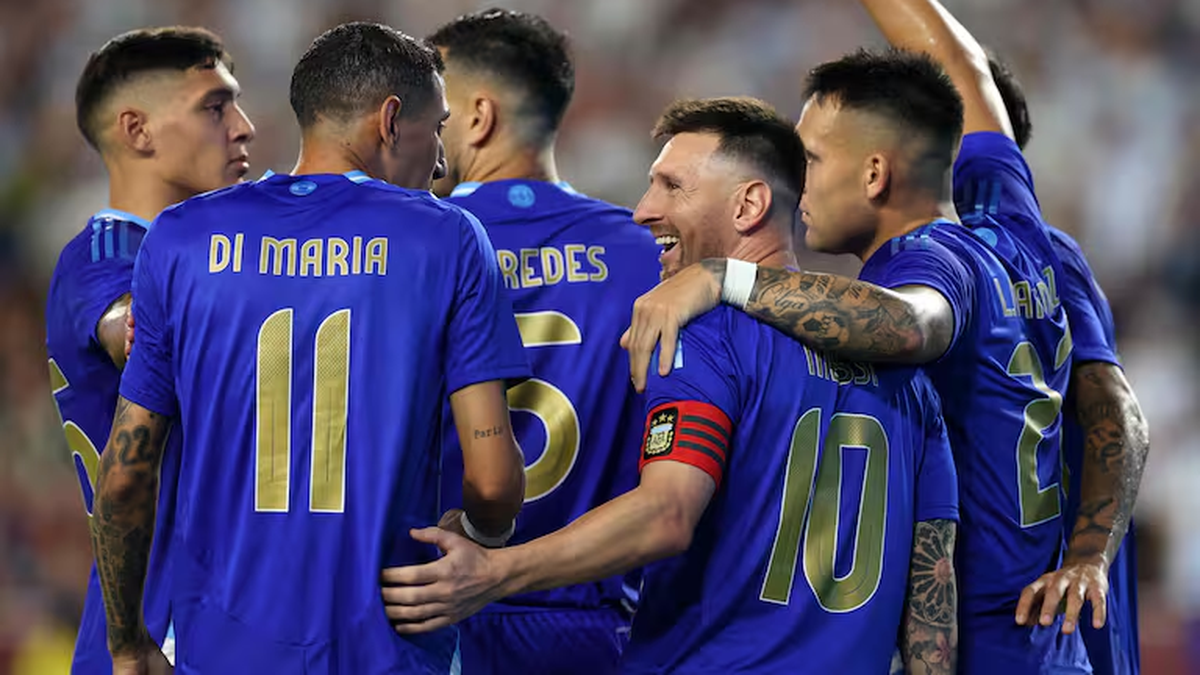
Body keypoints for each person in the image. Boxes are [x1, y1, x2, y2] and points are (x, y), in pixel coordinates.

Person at [381, 97, 960, 675]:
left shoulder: (705, 333)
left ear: (749, 205)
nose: (642, 211)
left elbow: (666, 513)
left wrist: (495, 573)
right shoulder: (911, 383)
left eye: (671, 187)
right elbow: (933, 598)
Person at [623, 43, 1103, 672]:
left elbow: (909, 326)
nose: (798, 182)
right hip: (1051, 643)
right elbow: (1117, 415)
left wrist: (721, 277)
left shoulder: (925, 259)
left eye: (812, 160)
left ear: (875, 174)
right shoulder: (1022, 237)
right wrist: (1091, 553)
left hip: (990, 643)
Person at [89, 22, 529, 675]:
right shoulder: (449, 238)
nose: (441, 162)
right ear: (390, 121)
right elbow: (493, 480)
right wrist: (482, 532)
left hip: (221, 651)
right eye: (436, 129)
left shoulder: (180, 238)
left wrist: (128, 643)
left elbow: (126, 476)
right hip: (386, 648)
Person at [855, 3, 1148, 672]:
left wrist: (1087, 556)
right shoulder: (989, 248)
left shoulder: (1012, 246)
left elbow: (1115, 408)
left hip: (1040, 619)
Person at [424, 9, 660, 674]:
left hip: (441, 610)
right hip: (597, 625)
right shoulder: (651, 256)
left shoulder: (414, 245)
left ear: (478, 116)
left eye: (431, 110)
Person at [44, 26, 255, 674]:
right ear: (137, 130)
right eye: (215, 107)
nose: (243, 127)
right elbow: (127, 327)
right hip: (159, 633)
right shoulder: (106, 253)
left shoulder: (211, 255)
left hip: (214, 619)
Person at [985, 51, 1145, 675]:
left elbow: (1116, 406)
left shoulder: (1046, 257)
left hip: (1066, 629)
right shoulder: (925, 263)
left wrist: (1087, 558)